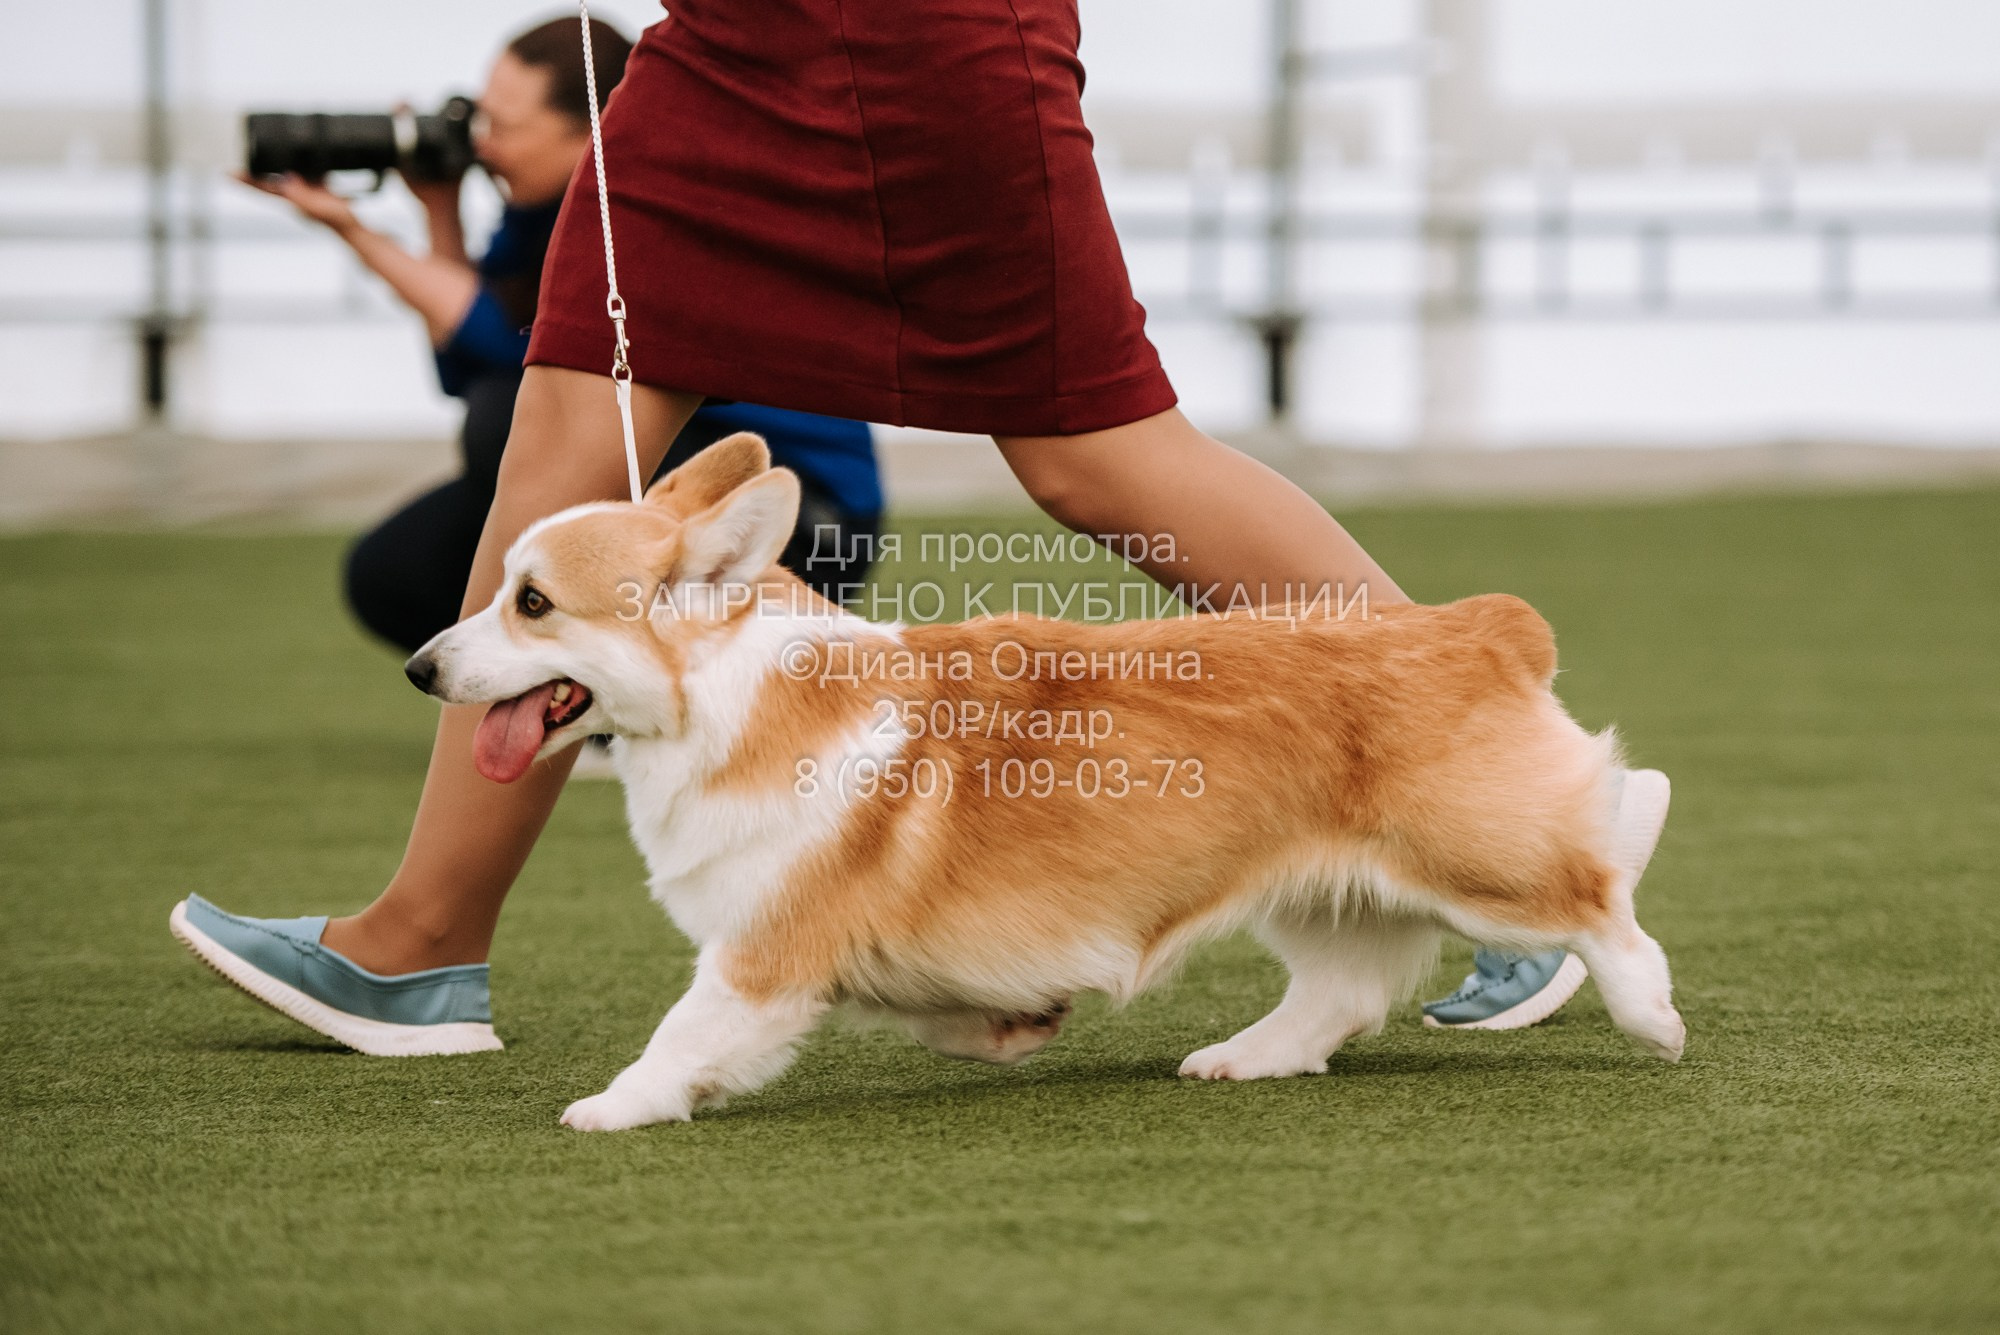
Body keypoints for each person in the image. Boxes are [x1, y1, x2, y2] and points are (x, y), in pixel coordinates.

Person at [176, 0, 1605, 1055]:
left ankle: (1467, 778)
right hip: (722, 50)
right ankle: (424, 943)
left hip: (924, 43)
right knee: (553, 462)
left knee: (1096, 458)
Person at [239, 17, 882, 660]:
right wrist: (439, 210)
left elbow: (509, 348)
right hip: (666, 483)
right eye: (478, 120)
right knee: (395, 571)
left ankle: (633, 699)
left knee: (507, 419)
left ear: (593, 131)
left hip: (798, 524)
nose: (481, 146)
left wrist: (357, 234)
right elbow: (462, 367)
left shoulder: (658, 211)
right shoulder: (537, 214)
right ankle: (598, 724)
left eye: (504, 128)